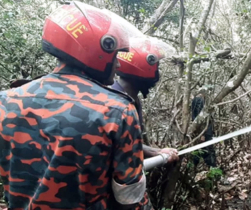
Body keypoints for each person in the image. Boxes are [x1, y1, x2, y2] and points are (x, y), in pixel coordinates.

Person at [0, 2, 147, 209]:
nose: (119, 64)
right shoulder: (117, 111)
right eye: (115, 56)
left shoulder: (5, 101)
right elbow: (130, 197)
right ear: (99, 50)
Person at [111, 37, 179, 209]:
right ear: (144, 68)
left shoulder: (133, 101)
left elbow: (129, 145)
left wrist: (158, 152)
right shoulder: (116, 105)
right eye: (156, 66)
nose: (157, 72)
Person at [191, 88, 217, 168]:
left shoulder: (195, 100)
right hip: (204, 130)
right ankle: (213, 169)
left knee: (199, 149)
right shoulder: (200, 100)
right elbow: (200, 117)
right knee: (208, 149)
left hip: (200, 129)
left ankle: (193, 168)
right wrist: (202, 133)